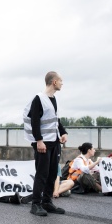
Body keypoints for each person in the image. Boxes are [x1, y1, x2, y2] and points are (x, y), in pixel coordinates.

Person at [23, 71, 68, 216]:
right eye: (61, 81)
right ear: (54, 82)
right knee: (42, 173)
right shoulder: (39, 99)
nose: (62, 83)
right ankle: (36, 204)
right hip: (43, 143)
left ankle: (47, 202)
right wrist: (39, 141)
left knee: (53, 172)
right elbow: (35, 121)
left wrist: (63, 132)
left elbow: (55, 120)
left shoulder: (53, 99)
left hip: (54, 142)